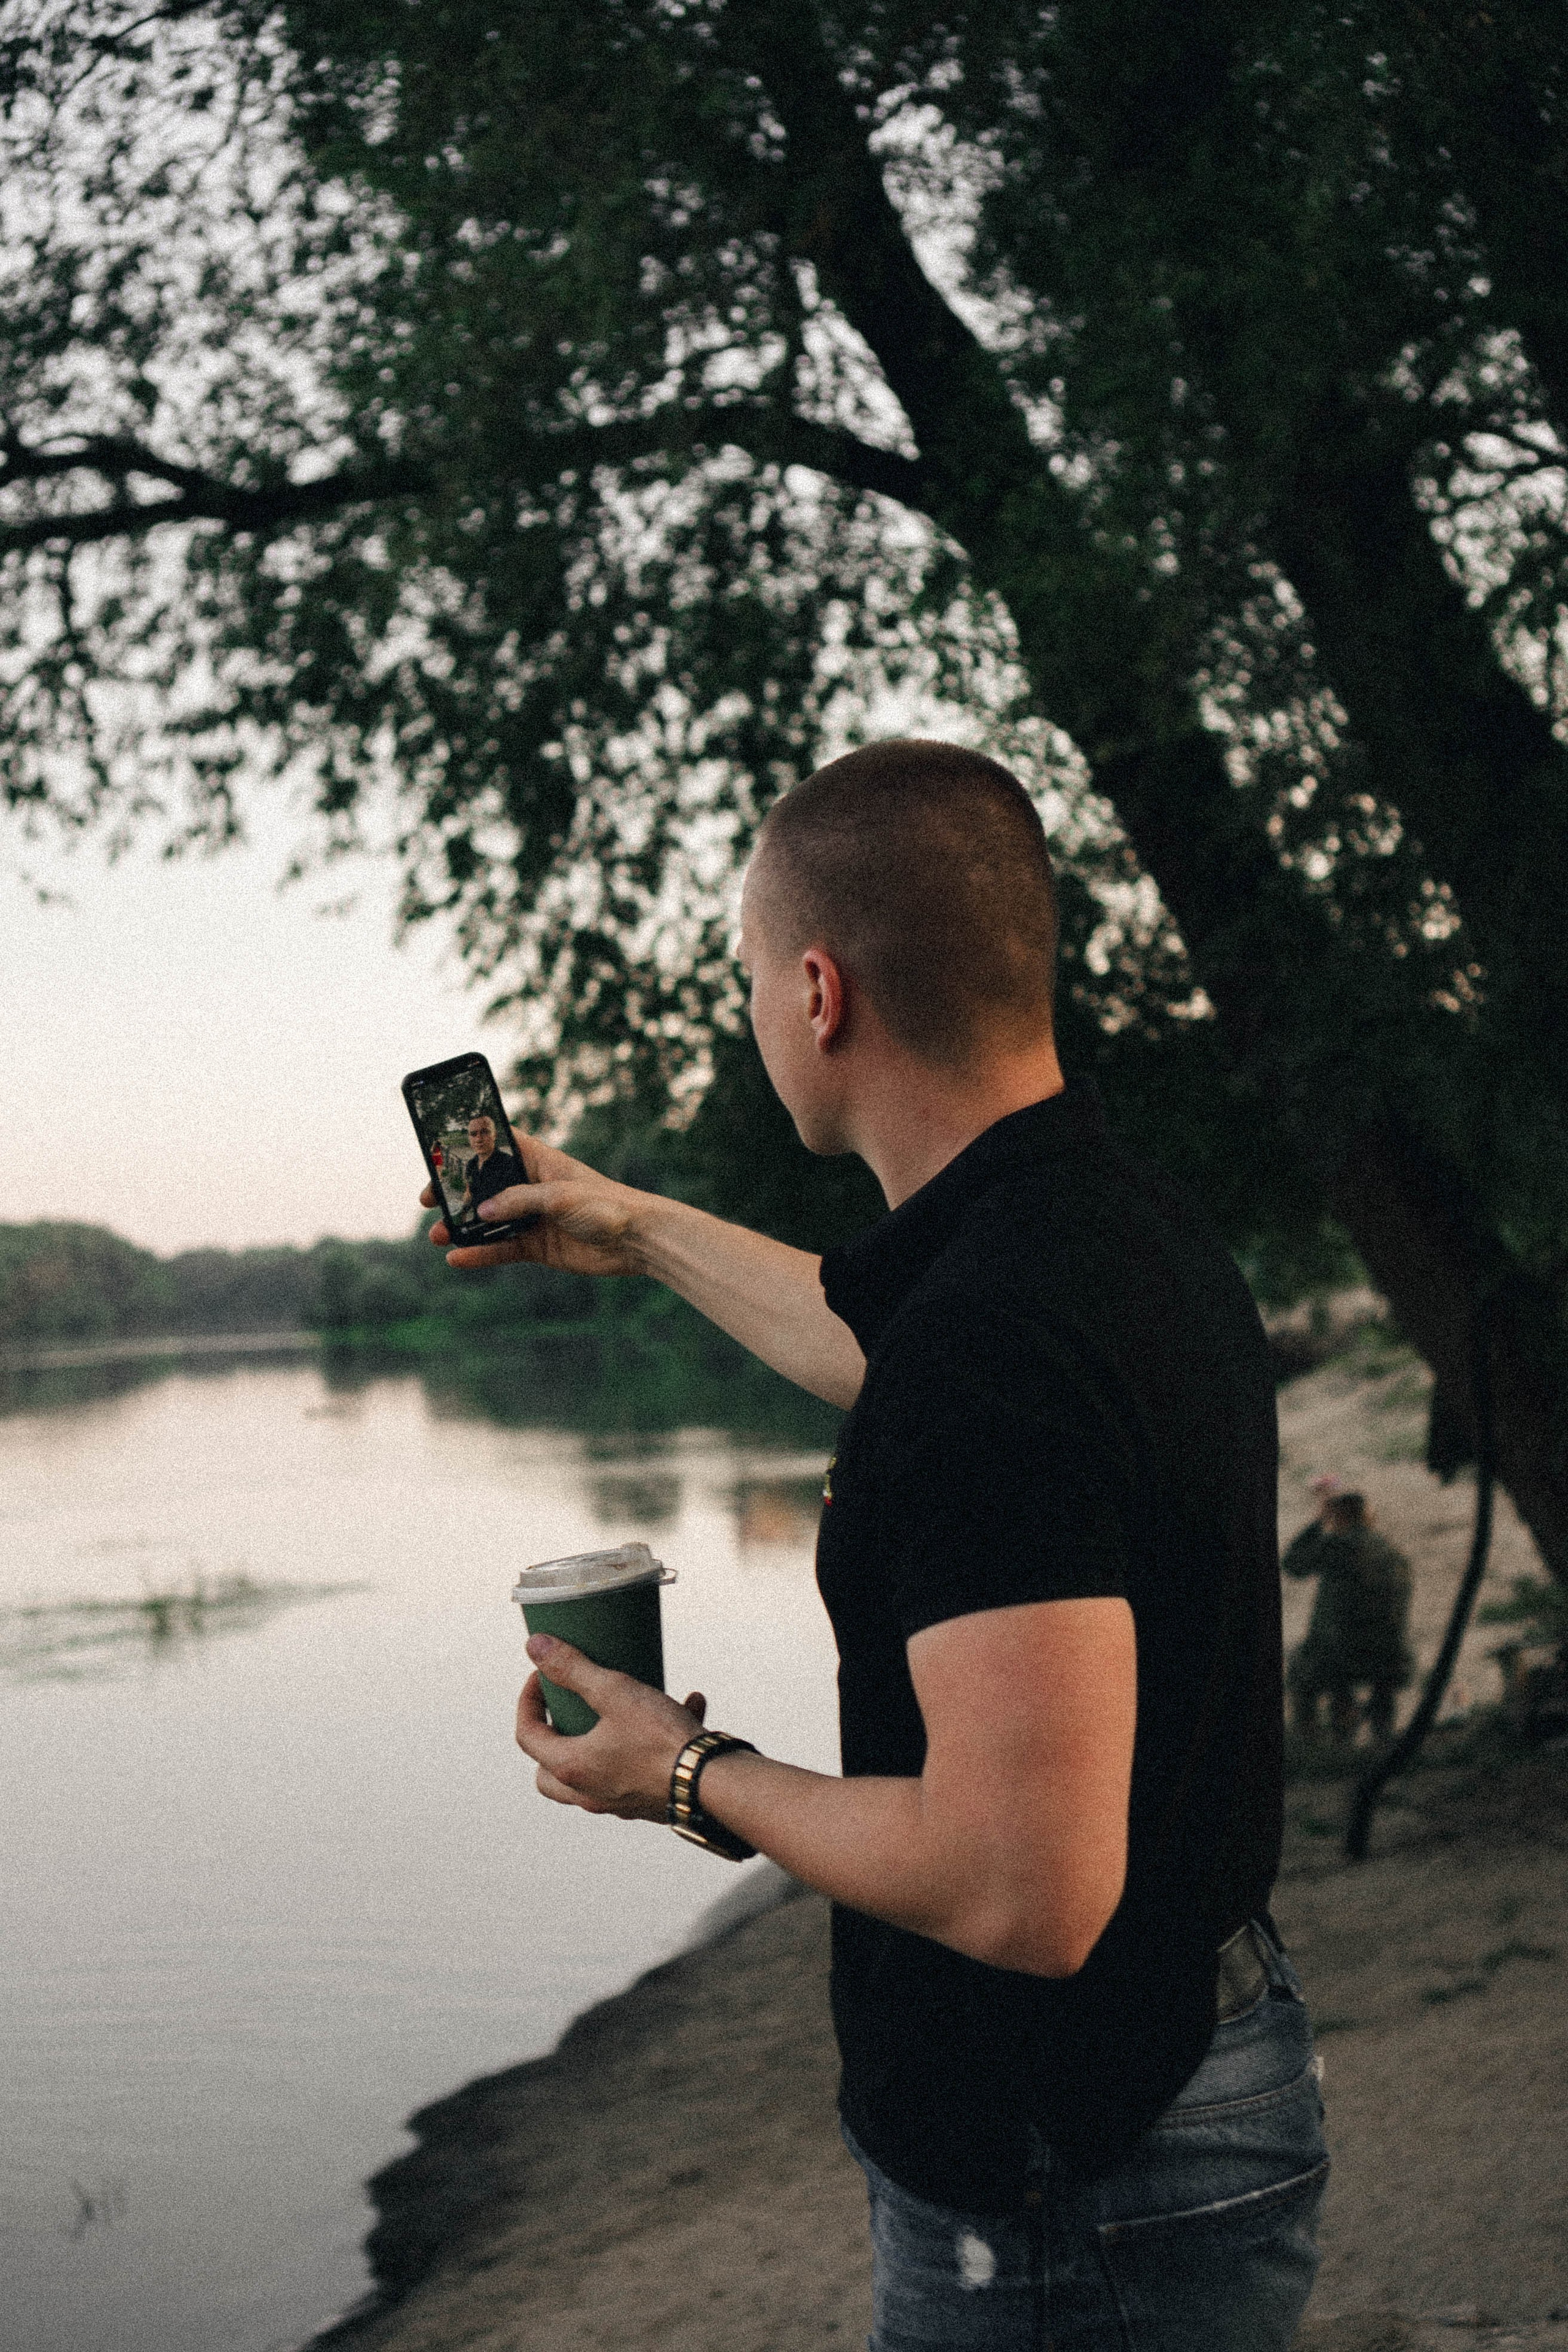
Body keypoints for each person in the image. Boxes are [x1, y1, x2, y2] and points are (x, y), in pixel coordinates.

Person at [421, 740, 1328, 2351]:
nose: (757, 1011)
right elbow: (883, 1339)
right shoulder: (1112, 1230)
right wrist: (628, 1225)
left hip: (1070, 2171)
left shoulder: (994, 1342)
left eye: (754, 976)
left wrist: (687, 1777)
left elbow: (1023, 1888)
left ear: (820, 994)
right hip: (1179, 2075)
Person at [1284, 1487, 1414, 1743]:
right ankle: (1381, 1734)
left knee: (1301, 1669)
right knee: (1347, 1642)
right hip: (1393, 1656)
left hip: (1343, 1656)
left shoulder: (1338, 1546)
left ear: (1340, 1517)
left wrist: (1318, 1523)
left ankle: (1310, 1741)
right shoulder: (1393, 1553)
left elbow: (1292, 1564)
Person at [455, 1113, 521, 1217]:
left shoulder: (510, 1163)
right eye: (473, 1134)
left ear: (495, 1135)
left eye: (485, 1132)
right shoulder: (471, 1165)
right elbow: (469, 1194)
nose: (479, 1139)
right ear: (469, 1139)